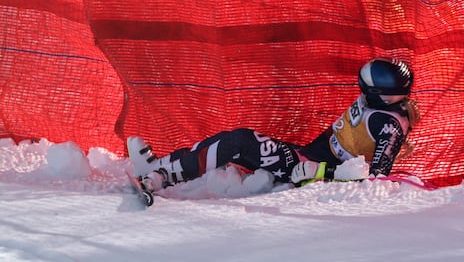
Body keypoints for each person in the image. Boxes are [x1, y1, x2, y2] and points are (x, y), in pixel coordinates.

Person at [128, 57, 420, 192]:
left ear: (377, 93)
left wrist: (320, 171)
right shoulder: (380, 104)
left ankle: (164, 177)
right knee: (235, 141)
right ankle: (161, 165)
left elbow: (377, 178)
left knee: (241, 141)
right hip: (307, 155)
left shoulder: (389, 126)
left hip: (306, 169)